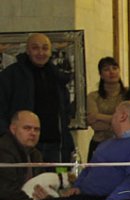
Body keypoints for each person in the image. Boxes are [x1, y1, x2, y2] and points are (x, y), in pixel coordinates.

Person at [0, 32, 75, 164]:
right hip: (21, 146)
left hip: (55, 144)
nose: (40, 52)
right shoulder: (11, 75)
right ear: (27, 51)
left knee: (56, 181)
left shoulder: (57, 76)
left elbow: (66, 108)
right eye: (35, 48)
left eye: (45, 48)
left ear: (50, 52)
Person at [0, 110, 44, 200]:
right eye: (27, 128)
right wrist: (33, 199)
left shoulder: (36, 154)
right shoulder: (3, 150)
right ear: (13, 129)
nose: (33, 133)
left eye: (36, 129)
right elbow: (6, 191)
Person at [86, 56, 126, 161]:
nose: (111, 72)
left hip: (122, 143)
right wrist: (117, 120)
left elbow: (128, 121)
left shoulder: (128, 94)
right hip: (99, 143)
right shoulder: (93, 96)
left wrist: (98, 116)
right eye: (106, 69)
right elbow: (95, 124)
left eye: (114, 68)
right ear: (100, 74)